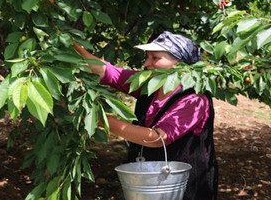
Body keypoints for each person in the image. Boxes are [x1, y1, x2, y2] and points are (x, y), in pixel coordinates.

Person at [74, 31, 218, 200]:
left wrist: (104, 121)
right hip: (151, 183)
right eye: (147, 57)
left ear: (179, 63)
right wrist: (74, 46)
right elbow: (108, 72)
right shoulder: (151, 83)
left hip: (185, 188)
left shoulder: (194, 99)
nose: (146, 63)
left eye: (155, 58)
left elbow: (158, 138)